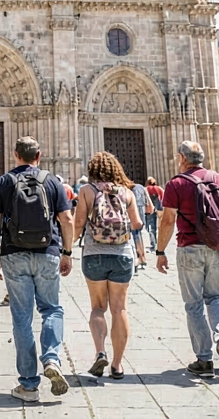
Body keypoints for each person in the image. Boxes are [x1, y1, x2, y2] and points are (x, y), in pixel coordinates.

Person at [0, 136, 74, 403]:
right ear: (39, 155)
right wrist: (67, 252)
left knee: (22, 317)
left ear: (15, 155)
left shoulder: (3, 181)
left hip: (14, 253)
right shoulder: (52, 181)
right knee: (51, 309)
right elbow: (67, 218)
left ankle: (28, 385)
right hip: (47, 251)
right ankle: (52, 359)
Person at [155, 140, 219, 378]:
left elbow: (168, 220)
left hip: (190, 247)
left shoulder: (176, 183)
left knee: (194, 304)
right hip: (218, 245)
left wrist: (160, 251)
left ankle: (204, 359)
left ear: (182, 157)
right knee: (218, 296)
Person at [72, 152, 142, 380]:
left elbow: (79, 223)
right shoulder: (127, 193)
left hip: (94, 254)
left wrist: (66, 247)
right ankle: (117, 365)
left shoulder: (86, 191)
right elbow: (138, 223)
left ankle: (100, 351)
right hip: (122, 254)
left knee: (98, 307)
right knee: (119, 308)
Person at [129, 180, 150, 271]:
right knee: (138, 236)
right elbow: (148, 202)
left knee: (134, 237)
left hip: (133, 215)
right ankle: (142, 258)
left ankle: (138, 258)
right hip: (141, 215)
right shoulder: (141, 187)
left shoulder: (128, 190)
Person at [145, 176, 164, 249]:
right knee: (157, 226)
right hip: (158, 209)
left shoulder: (146, 189)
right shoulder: (158, 188)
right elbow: (163, 197)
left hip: (148, 210)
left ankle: (153, 241)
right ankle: (158, 242)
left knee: (150, 226)